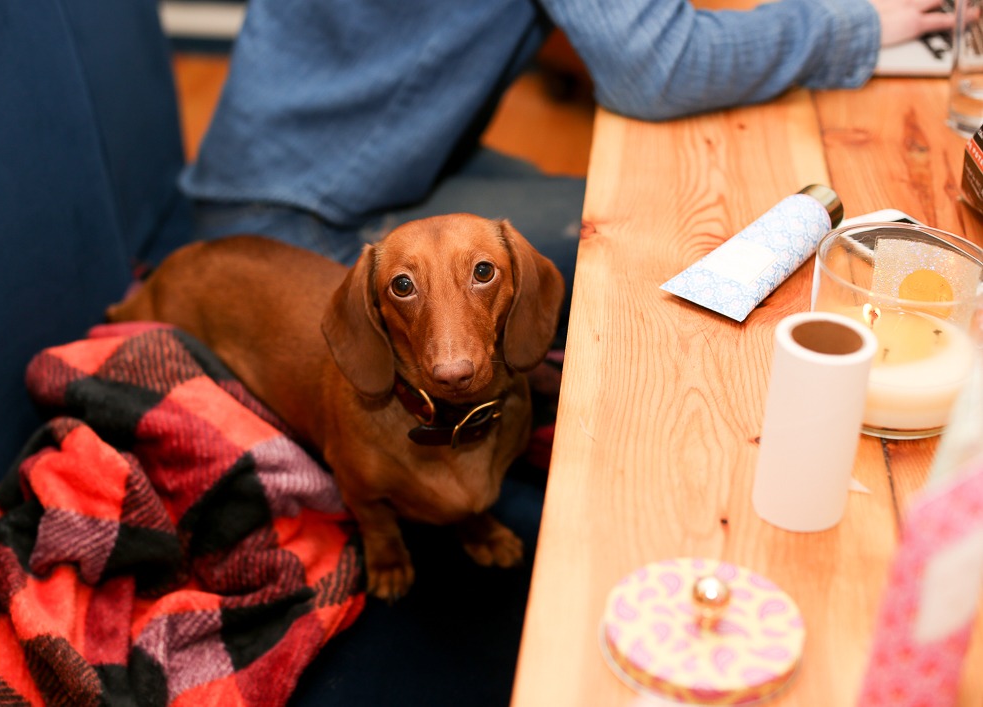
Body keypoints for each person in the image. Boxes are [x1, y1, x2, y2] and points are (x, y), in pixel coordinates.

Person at [175, 2, 952, 707]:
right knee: (648, 253)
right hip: (296, 204)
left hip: (382, 161)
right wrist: (857, 24)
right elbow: (654, 61)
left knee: (634, 232)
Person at [180, 0, 954, 341]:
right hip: (295, 226)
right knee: (692, 250)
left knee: (709, 224)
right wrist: (850, 25)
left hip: (336, 165)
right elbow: (659, 64)